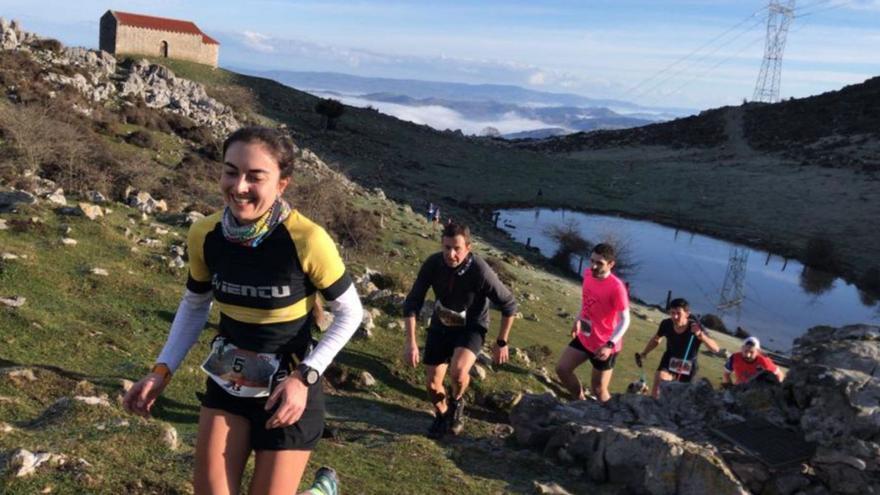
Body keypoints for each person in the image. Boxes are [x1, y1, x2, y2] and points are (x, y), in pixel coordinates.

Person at [122, 126, 363, 495]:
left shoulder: (307, 239)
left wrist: (304, 378)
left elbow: (350, 313)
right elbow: (195, 304)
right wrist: (161, 371)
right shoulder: (205, 234)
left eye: (256, 176)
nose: (239, 187)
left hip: (290, 389)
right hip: (228, 382)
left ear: (282, 184)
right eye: (231, 171)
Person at [402, 223, 517, 438]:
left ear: (468, 247)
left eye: (457, 249)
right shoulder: (433, 264)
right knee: (432, 384)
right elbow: (412, 303)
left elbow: (509, 304)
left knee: (458, 371)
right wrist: (411, 342)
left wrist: (502, 341)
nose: (451, 254)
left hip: (471, 327)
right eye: (446, 248)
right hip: (441, 324)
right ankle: (443, 415)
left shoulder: (480, 270)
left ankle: (457, 403)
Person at [555, 243, 631, 403]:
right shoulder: (588, 274)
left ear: (611, 264)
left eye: (599, 263)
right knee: (562, 369)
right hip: (585, 334)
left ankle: (609, 422)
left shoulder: (617, 287)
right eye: (592, 261)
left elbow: (625, 319)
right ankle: (580, 401)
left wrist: (609, 345)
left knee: (598, 389)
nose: (594, 266)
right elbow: (586, 301)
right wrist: (578, 319)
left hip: (604, 344)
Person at [635, 298, 720, 398]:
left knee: (681, 398)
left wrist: (700, 335)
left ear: (687, 314)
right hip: (669, 360)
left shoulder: (695, 327)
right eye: (672, 313)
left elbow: (715, 349)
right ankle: (654, 407)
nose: (675, 316)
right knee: (658, 382)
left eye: (678, 313)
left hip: (688, 365)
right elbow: (656, 339)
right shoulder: (666, 324)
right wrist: (644, 353)